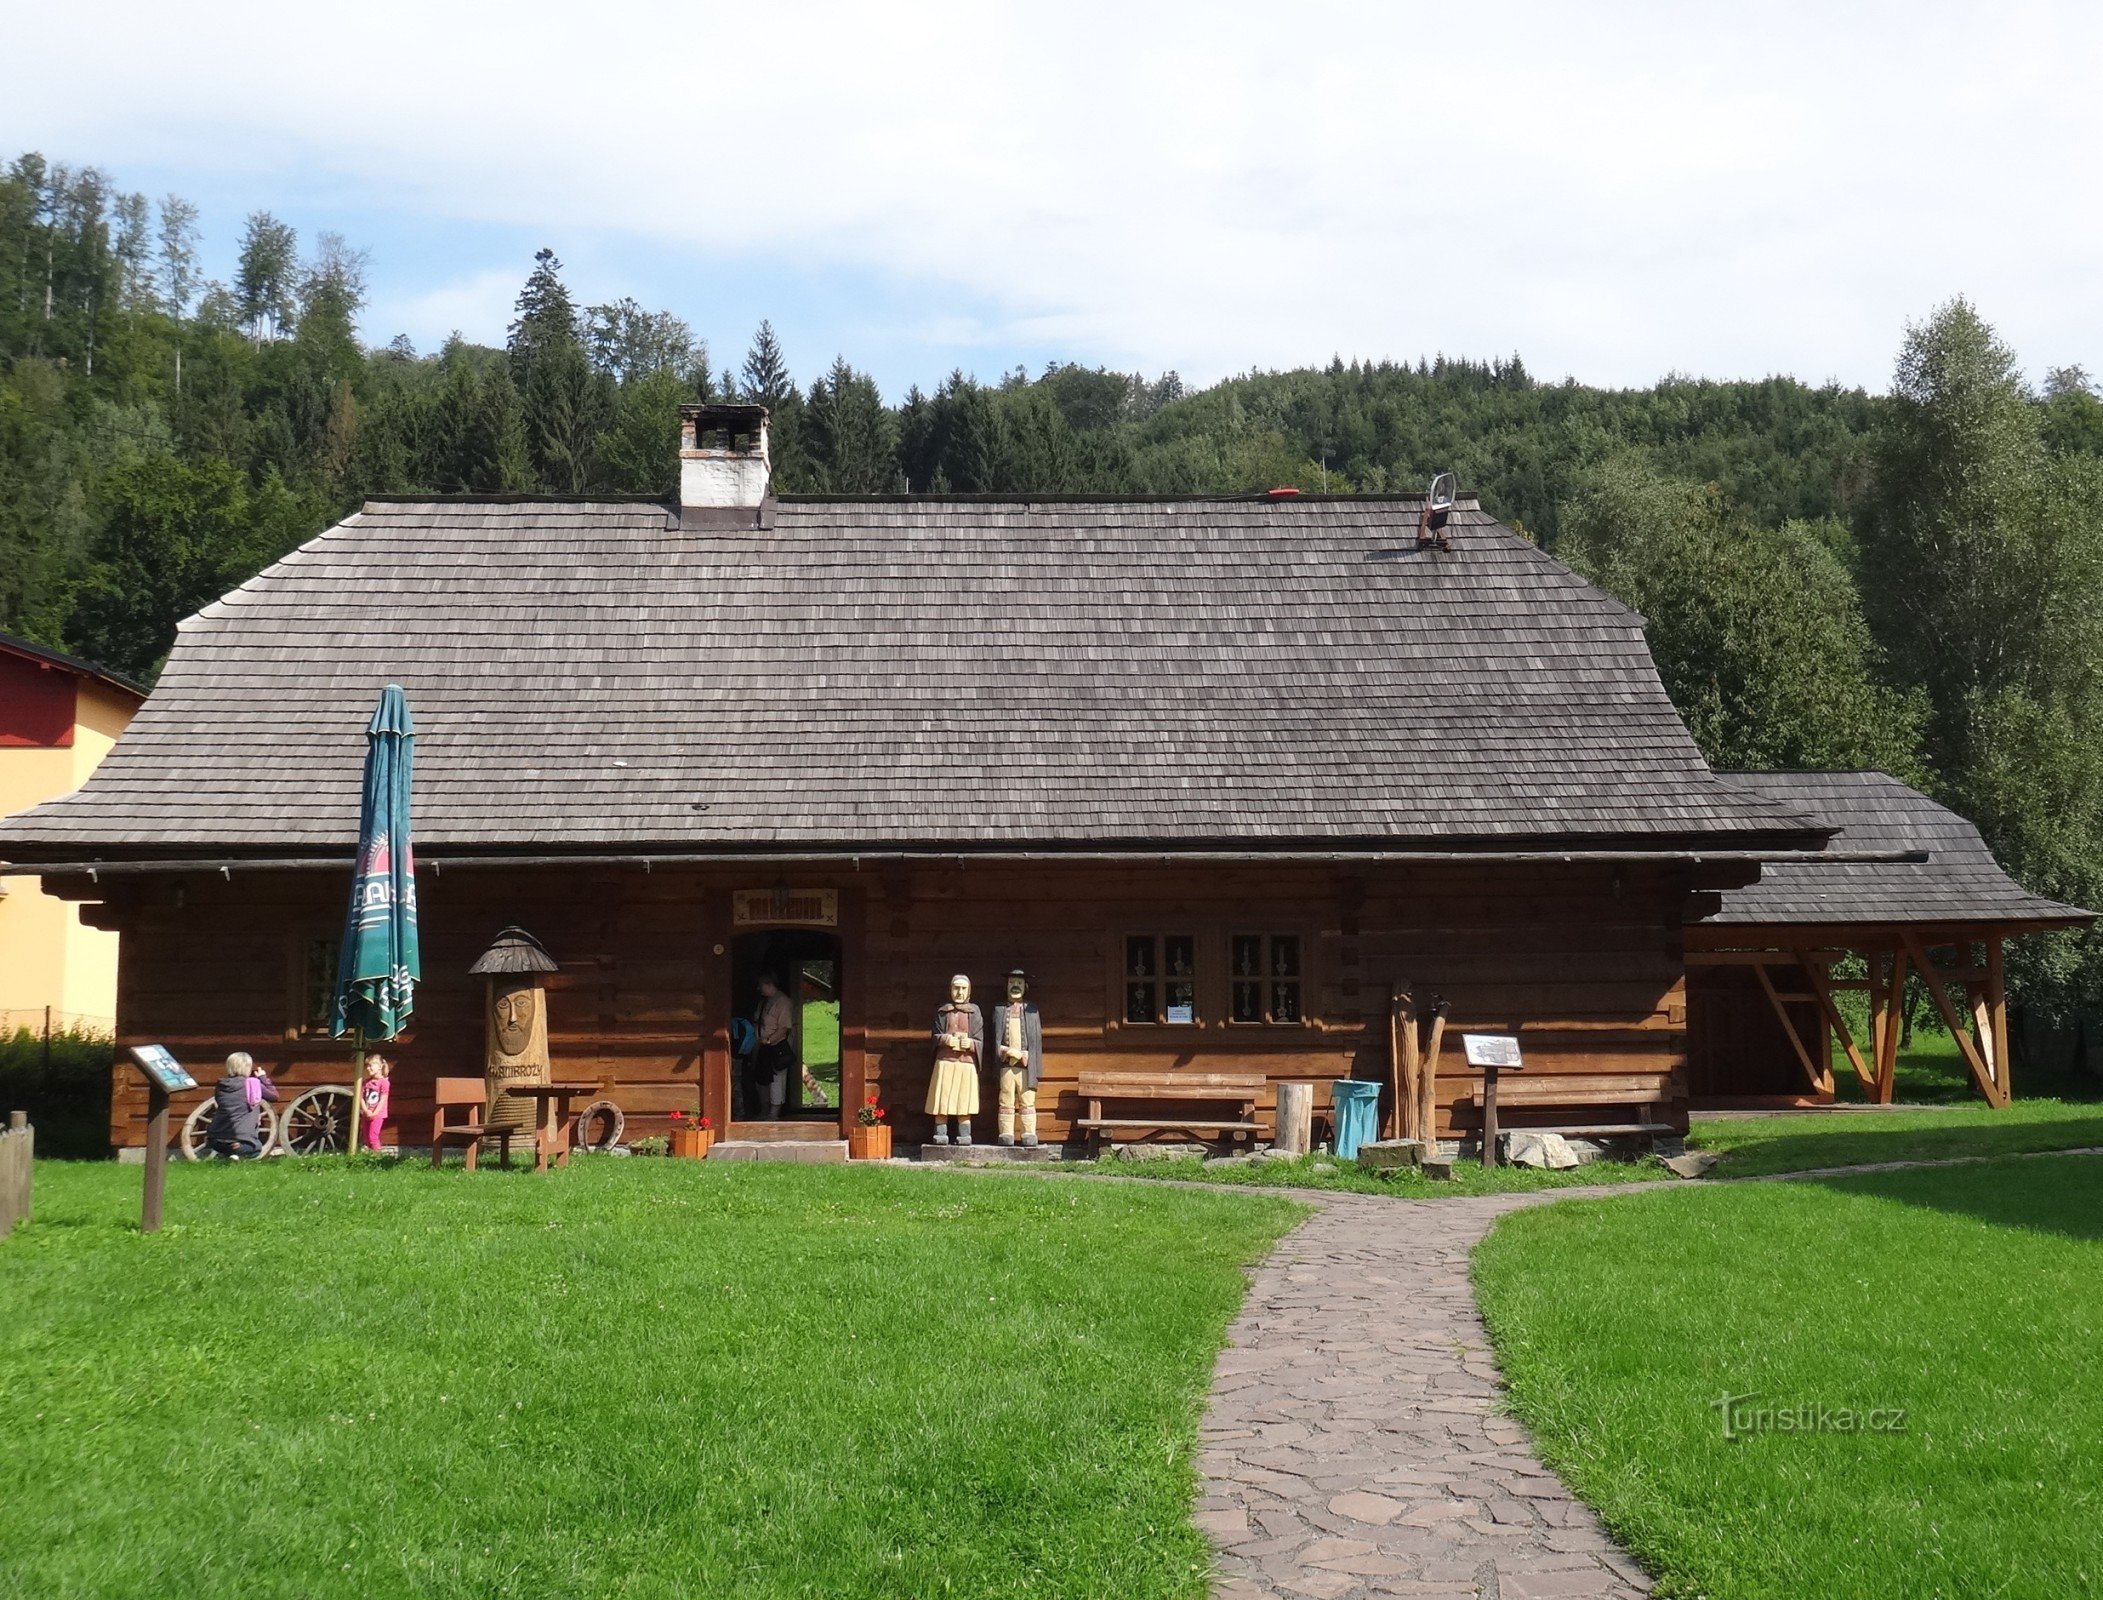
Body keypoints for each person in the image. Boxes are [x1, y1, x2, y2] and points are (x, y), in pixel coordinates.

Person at [925, 973, 983, 1146]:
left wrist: (971, 1043)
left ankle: (964, 1133)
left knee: (964, 1098)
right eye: (956, 988)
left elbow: (980, 1040)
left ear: (969, 991)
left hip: (966, 1063)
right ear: (950, 990)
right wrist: (945, 1039)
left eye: (963, 988)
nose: (960, 992)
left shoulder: (974, 1012)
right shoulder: (942, 1011)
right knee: (942, 1097)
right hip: (945, 1062)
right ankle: (940, 1131)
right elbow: (934, 1037)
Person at [991, 969, 1044, 1147]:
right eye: (1012, 982)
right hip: (1006, 1065)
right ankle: (1006, 1133)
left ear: (1025, 986)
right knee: (1005, 1098)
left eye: (1019, 983)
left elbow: (1036, 1040)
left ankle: (1028, 1133)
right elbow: (995, 1038)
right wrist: (1005, 1051)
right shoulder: (999, 1009)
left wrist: (1023, 1055)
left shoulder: (1031, 1010)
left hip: (1026, 1066)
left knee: (1027, 1100)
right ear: (1006, 986)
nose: (1015, 986)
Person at [207, 1051, 277, 1159]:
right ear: (247, 1067)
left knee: (226, 1145)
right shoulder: (252, 1084)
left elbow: (219, 1101)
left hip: (215, 1140)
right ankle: (236, 1152)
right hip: (242, 1141)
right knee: (257, 1147)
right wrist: (263, 1078)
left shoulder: (221, 1085)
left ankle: (230, 1154)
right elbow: (274, 1096)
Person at [746, 973, 795, 1120]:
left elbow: (783, 1028)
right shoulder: (764, 1002)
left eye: (761, 986)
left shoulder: (783, 1002)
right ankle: (764, 1110)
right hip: (762, 1047)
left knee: (776, 1080)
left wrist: (768, 1040)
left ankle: (774, 1114)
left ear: (769, 984)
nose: (759, 989)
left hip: (776, 1046)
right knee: (762, 1079)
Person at [358, 1054, 392, 1152]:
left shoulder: (384, 1082)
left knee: (373, 1137)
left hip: (377, 1114)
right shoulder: (366, 1082)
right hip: (367, 1113)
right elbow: (361, 1098)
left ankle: (377, 1158)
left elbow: (383, 1098)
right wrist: (366, 1110)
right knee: (367, 1138)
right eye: (367, 1066)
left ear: (380, 1066)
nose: (368, 1068)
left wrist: (375, 1113)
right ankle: (371, 1157)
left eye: (371, 1065)